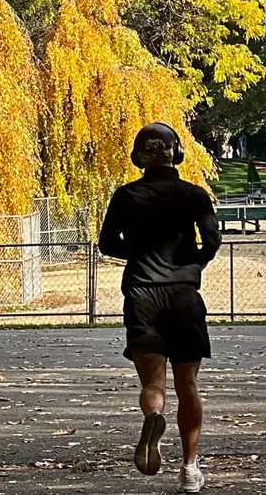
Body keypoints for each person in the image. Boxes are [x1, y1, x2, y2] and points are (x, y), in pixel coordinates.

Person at [98, 122, 222, 493]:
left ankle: (154, 416)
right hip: (183, 296)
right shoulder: (194, 195)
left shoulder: (125, 196)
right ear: (177, 154)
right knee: (189, 384)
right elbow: (213, 239)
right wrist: (192, 265)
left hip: (142, 296)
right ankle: (189, 469)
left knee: (154, 383)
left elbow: (106, 243)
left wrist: (138, 254)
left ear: (140, 158)